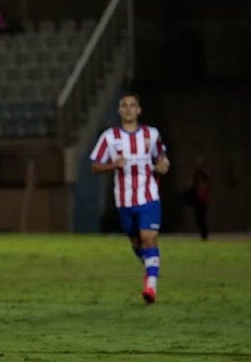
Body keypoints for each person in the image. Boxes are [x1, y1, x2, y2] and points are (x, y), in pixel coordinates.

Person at [89, 91, 171, 303]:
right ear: (119, 110)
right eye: (124, 105)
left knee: (148, 238)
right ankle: (151, 265)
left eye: (132, 105)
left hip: (149, 196)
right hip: (124, 200)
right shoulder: (109, 137)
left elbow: (161, 156)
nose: (128, 109)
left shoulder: (151, 134)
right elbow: (95, 166)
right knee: (136, 243)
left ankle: (150, 287)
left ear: (139, 110)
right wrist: (112, 165)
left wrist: (164, 163)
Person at [187, 158, 211, 239]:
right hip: (198, 199)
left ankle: (204, 235)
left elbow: (204, 185)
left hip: (202, 199)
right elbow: (191, 184)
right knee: (199, 218)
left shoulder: (204, 175)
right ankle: (203, 234)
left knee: (201, 217)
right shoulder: (197, 175)